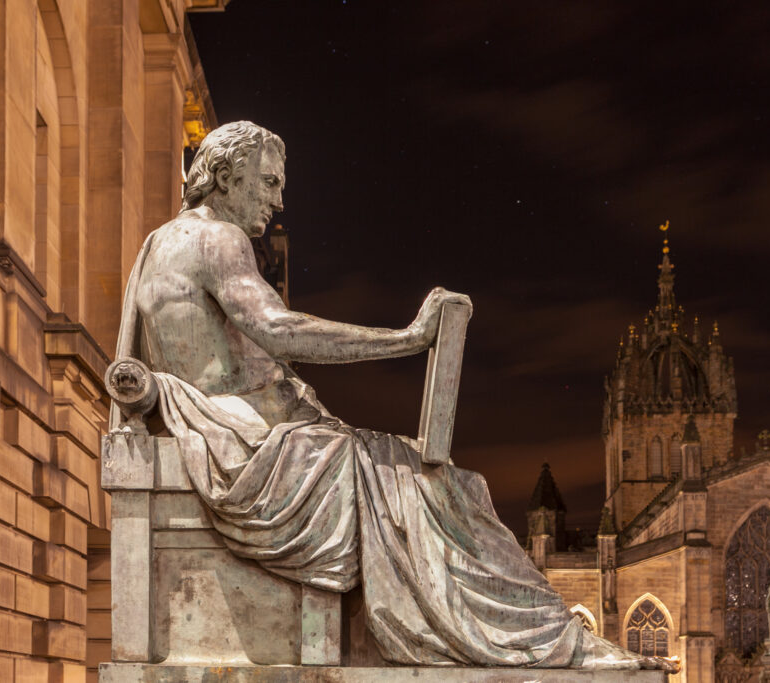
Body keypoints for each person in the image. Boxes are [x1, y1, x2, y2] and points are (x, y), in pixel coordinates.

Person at [115, 121, 677, 672]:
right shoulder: (217, 238)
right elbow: (281, 331)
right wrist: (408, 339)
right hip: (255, 446)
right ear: (226, 176)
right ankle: (551, 644)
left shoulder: (156, 245)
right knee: (442, 489)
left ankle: (545, 637)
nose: (279, 199)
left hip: (244, 435)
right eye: (269, 182)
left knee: (436, 482)